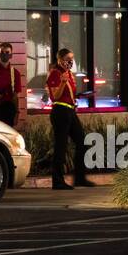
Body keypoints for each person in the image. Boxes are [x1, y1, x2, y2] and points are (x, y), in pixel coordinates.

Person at [48, 49, 94, 189]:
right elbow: (55, 96)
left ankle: (80, 177)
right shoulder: (55, 73)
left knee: (81, 140)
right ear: (60, 59)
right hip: (60, 111)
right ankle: (57, 181)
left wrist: (78, 97)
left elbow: (68, 94)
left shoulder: (68, 73)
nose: (70, 61)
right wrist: (62, 83)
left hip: (70, 110)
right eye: (68, 58)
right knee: (61, 146)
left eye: (72, 58)